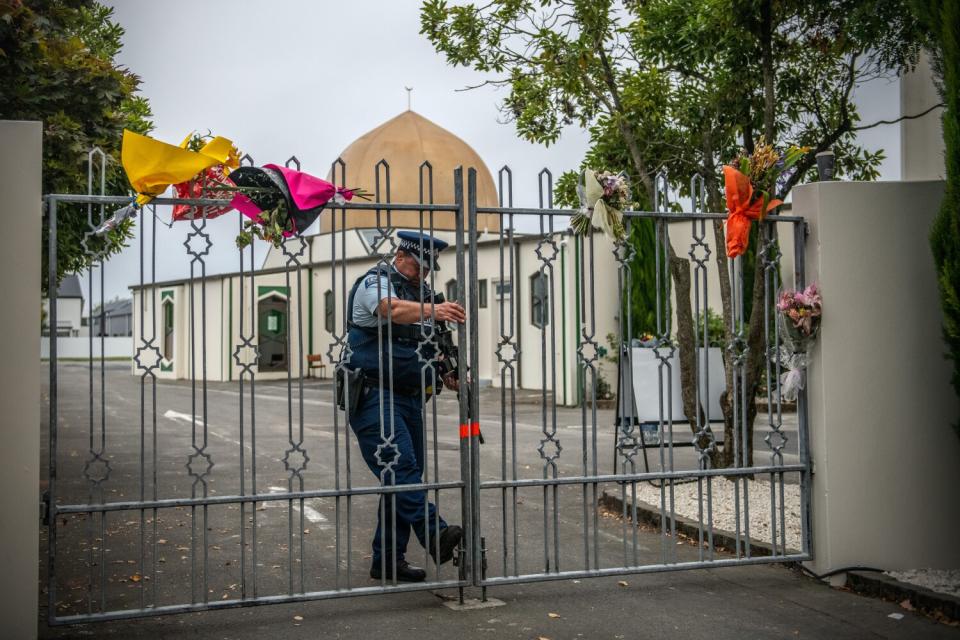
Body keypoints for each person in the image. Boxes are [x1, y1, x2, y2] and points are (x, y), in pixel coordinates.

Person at [345, 230, 465, 582]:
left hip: (412, 397)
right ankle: (435, 534)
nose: (423, 273)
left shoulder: (426, 295)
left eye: (428, 268)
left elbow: (438, 344)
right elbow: (390, 309)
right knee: (400, 468)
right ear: (400, 255)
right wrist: (435, 309)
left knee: (403, 476)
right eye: (418, 265)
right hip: (374, 394)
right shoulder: (376, 282)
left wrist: (451, 373)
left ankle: (387, 561)